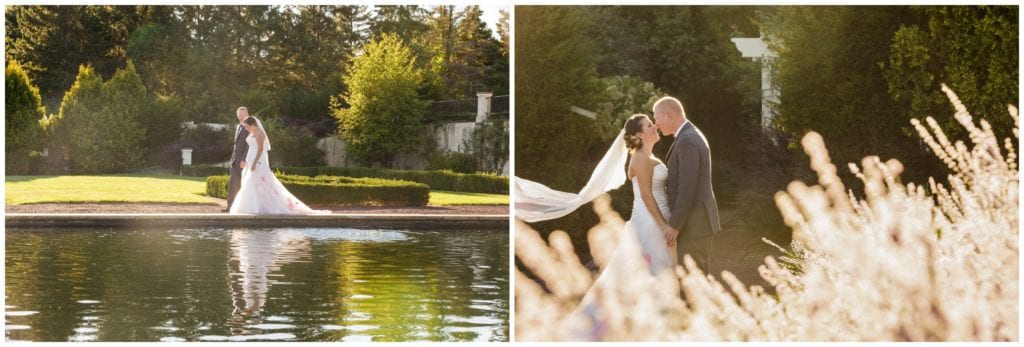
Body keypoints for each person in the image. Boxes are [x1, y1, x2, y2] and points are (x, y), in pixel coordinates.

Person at [229, 116, 329, 215]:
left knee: (255, 182)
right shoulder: (252, 133)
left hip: (257, 161)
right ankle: (254, 205)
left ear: (252, 124)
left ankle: (255, 207)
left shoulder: (259, 133)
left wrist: (255, 162)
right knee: (250, 182)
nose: (246, 128)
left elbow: (260, 149)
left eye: (247, 126)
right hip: (249, 160)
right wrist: (248, 160)